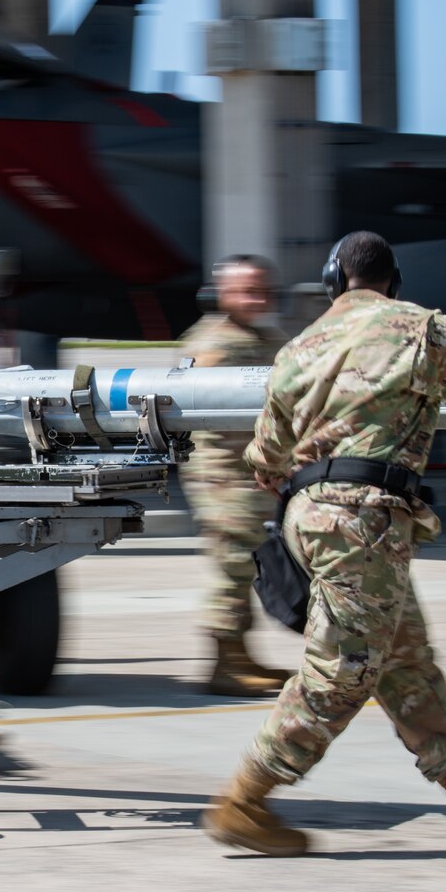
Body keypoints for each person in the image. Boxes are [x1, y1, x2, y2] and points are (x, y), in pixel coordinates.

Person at [203, 231, 446, 856]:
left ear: (336, 283)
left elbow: (264, 459)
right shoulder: (421, 329)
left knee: (403, 655)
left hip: (310, 518)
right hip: (364, 521)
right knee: (341, 671)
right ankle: (245, 801)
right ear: (394, 281)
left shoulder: (297, 347)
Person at [179, 255, 293, 696]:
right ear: (222, 293)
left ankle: (240, 655)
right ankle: (223, 664)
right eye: (248, 290)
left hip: (256, 473)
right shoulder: (214, 343)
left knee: (248, 565)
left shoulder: (265, 336)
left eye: (264, 289)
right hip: (224, 475)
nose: (258, 298)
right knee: (232, 565)